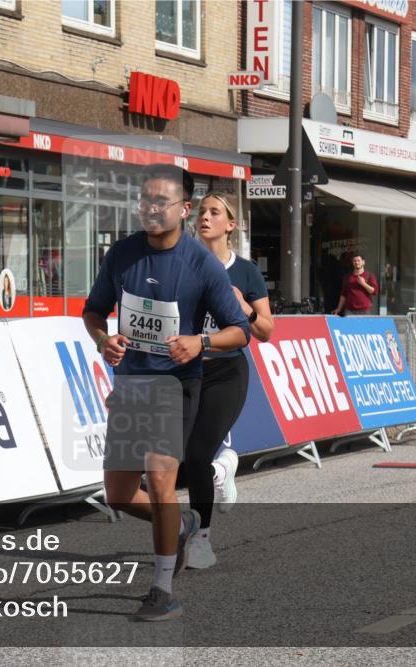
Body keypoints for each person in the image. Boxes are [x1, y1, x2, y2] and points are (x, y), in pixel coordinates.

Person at [82, 165, 249, 621]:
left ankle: (161, 589)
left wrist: (202, 342)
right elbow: (93, 311)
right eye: (146, 200)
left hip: (178, 384)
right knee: (117, 493)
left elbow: (241, 331)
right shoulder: (122, 254)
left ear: (184, 209)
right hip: (132, 383)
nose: (152, 209)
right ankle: (184, 521)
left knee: (159, 476)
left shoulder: (202, 265)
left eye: (162, 201)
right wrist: (103, 339)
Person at [184, 192, 274, 570]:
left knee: (196, 454)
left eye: (214, 212)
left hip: (227, 370)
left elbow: (267, 331)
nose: (205, 217)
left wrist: (246, 310)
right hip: (188, 368)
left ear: (230, 225)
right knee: (181, 454)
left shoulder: (246, 272)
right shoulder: (182, 264)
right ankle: (222, 468)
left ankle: (201, 539)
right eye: (202, 211)